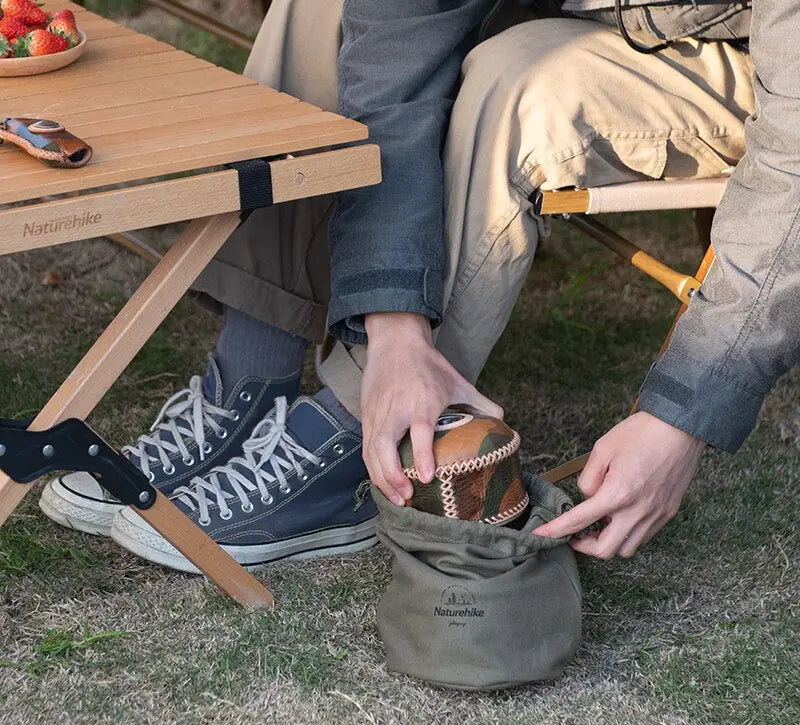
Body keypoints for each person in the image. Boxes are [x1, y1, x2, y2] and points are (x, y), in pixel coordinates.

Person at [41, 1, 798, 569]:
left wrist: (683, 415)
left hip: (759, 55)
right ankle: (250, 379)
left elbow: (792, 166)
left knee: (522, 83)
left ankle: (355, 444)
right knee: (329, 7)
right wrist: (393, 321)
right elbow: (393, 62)